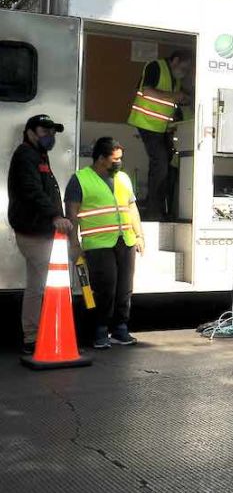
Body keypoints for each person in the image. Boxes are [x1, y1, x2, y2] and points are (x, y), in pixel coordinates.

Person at [65, 137, 145, 349]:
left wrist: (139, 235)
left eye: (121, 158)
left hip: (125, 240)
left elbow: (132, 208)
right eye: (115, 159)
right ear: (101, 158)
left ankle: (120, 329)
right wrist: (73, 244)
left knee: (124, 288)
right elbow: (71, 214)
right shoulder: (80, 179)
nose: (119, 163)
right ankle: (100, 330)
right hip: (98, 243)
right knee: (104, 288)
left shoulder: (124, 178)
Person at [7, 114, 73, 355]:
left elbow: (44, 192)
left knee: (36, 287)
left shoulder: (38, 155)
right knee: (53, 285)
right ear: (30, 132)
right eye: (45, 132)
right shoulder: (26, 155)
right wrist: (56, 216)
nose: (51, 136)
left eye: (53, 132)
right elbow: (33, 191)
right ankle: (54, 337)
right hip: (34, 231)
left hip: (37, 230)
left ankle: (32, 337)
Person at [127, 50, 192, 220]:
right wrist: (174, 96)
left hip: (160, 127)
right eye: (185, 67)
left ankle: (156, 207)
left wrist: (182, 98)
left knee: (164, 165)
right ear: (176, 60)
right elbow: (147, 92)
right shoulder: (155, 66)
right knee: (161, 164)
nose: (185, 72)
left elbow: (170, 100)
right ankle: (153, 211)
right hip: (146, 122)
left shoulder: (175, 79)